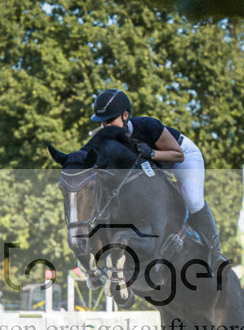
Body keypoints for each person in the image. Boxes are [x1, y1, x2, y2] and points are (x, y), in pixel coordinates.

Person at [90, 88, 224, 269]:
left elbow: (178, 155)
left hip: (182, 158)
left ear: (125, 115)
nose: (106, 126)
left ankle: (216, 252)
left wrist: (152, 152)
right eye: (102, 122)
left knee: (193, 199)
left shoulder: (148, 126)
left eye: (109, 120)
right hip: (156, 167)